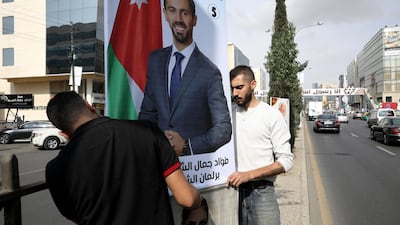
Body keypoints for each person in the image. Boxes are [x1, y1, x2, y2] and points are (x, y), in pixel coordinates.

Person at [45, 91, 202, 225]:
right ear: (89, 106)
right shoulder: (146, 131)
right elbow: (187, 198)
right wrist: (199, 199)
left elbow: (76, 216)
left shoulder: (55, 169)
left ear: (64, 134)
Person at [139, 0, 232, 156]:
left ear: (194, 20)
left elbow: (223, 129)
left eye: (185, 13)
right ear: (165, 14)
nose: (178, 19)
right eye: (172, 11)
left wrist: (187, 146)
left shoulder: (210, 72)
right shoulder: (155, 61)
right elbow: (147, 115)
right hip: (158, 165)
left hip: (195, 170)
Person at [227, 66, 294, 225]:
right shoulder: (227, 114)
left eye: (239, 87)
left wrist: (248, 175)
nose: (235, 93)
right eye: (232, 88)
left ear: (253, 84)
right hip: (231, 193)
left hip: (262, 193)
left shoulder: (271, 115)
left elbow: (286, 161)